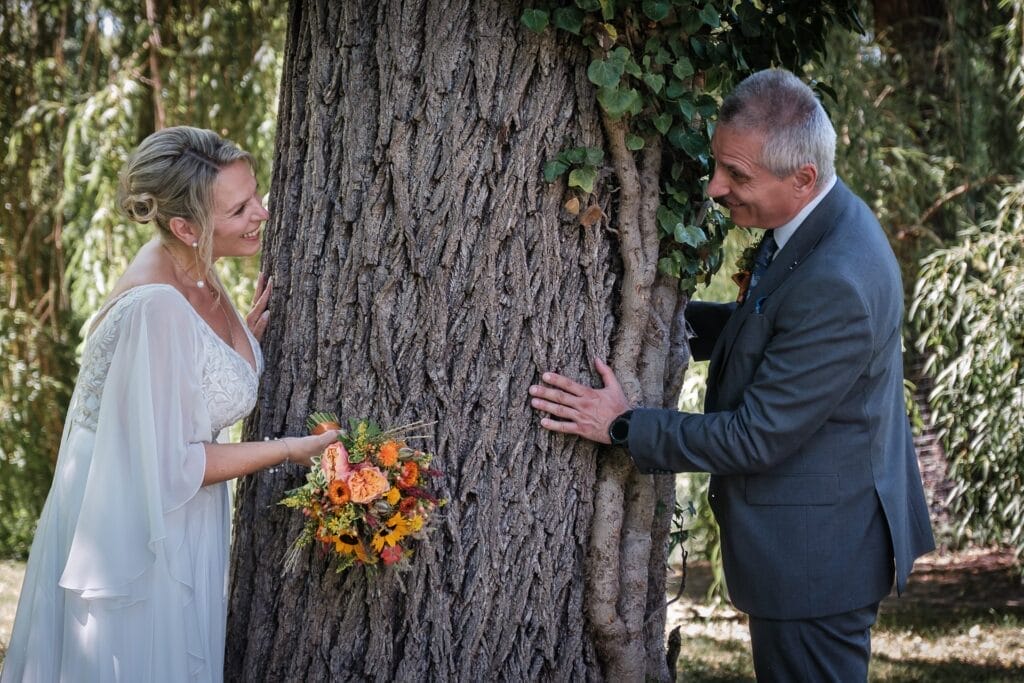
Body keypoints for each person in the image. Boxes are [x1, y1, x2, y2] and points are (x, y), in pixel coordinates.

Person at [529, 69, 935, 681]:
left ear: (803, 178)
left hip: (817, 559)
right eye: (718, 165)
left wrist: (622, 426)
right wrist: (657, 322)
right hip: (817, 538)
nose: (717, 187)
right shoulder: (818, 226)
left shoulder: (838, 281)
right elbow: (767, 326)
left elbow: (755, 436)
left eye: (737, 175)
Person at [1, 126, 338, 682]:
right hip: (143, 535)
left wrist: (238, 347)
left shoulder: (191, 263)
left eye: (256, 193)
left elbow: (184, 372)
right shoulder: (155, 305)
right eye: (239, 210)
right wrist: (290, 450)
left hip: (182, 517)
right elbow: (173, 464)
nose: (262, 213)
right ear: (186, 225)